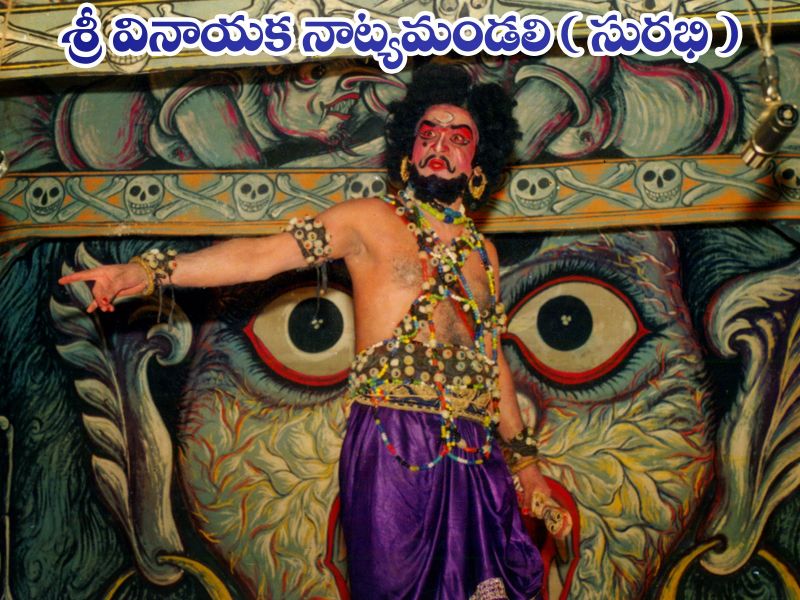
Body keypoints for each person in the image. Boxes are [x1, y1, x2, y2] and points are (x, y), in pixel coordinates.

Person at [60, 64, 546, 599]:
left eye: (458, 138)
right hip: (394, 440)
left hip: (475, 451)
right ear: (408, 151)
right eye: (427, 133)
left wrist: (526, 466)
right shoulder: (366, 220)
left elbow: (491, 362)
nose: (440, 146)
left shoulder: (484, 254)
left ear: (479, 161)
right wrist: (151, 271)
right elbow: (259, 257)